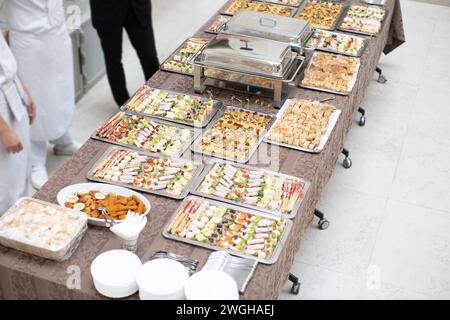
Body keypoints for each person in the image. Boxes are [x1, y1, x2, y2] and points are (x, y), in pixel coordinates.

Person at [2, 0, 79, 190]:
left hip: (57, 32)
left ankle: (62, 139)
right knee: (36, 98)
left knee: (61, 90)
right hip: (29, 39)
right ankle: (36, 159)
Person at [90, 0, 160, 106]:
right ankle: (125, 109)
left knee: (149, 56)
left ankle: (159, 100)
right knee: (113, 61)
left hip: (137, 7)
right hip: (106, 11)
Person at [0, 31, 36, 213]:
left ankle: (22, 217)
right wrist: (3, 130)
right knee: (5, 179)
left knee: (21, 167)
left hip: (10, 86)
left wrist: (23, 88)